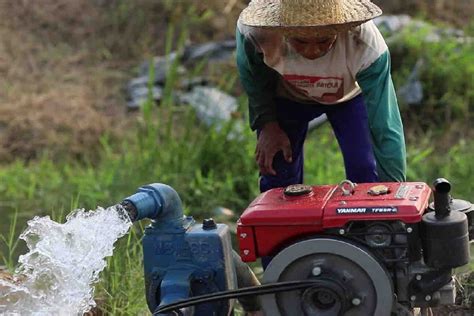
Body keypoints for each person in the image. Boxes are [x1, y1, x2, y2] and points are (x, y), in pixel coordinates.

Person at [236, 0, 406, 195]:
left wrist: (395, 194)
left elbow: (385, 125)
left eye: (324, 41)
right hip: (286, 97)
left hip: (348, 98)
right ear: (282, 30)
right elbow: (253, 77)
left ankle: (365, 225)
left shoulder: (366, 46)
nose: (312, 51)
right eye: (300, 41)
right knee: (279, 177)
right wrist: (267, 123)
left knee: (366, 171)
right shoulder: (256, 34)